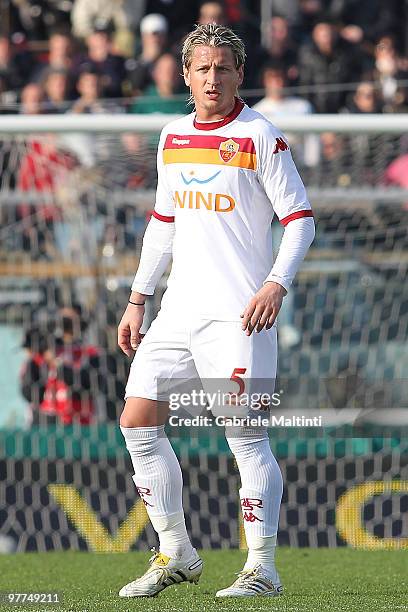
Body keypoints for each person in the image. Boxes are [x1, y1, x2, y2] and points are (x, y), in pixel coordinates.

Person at [117, 23, 315, 598]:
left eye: (222, 68)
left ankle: (263, 569)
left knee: (245, 438)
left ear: (239, 75)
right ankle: (176, 552)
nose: (212, 77)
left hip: (239, 315)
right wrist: (138, 297)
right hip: (178, 311)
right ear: (186, 75)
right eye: (202, 68)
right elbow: (163, 222)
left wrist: (276, 284)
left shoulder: (261, 136)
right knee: (137, 422)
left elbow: (300, 220)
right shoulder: (173, 136)